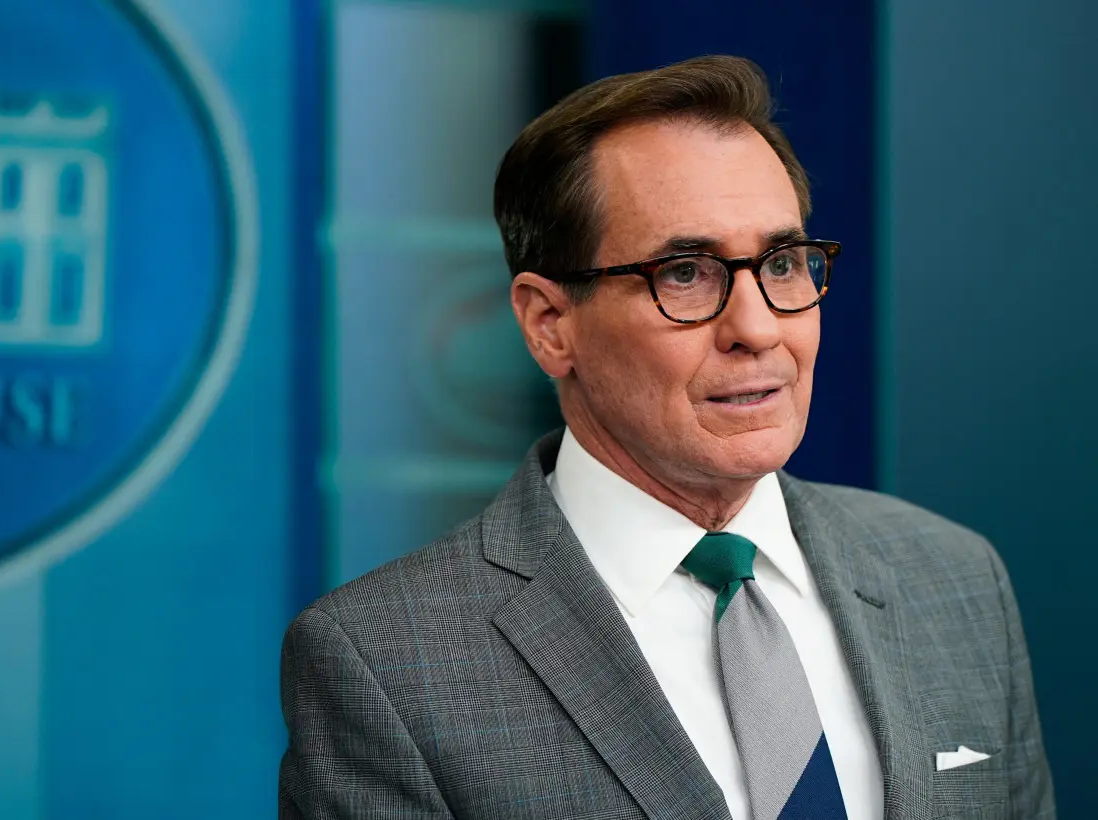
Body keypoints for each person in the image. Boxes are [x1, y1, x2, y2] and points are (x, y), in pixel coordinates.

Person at [278, 55, 1055, 820]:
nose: (757, 329)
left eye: (781, 264)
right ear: (550, 325)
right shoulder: (384, 662)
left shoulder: (954, 580)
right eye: (685, 273)